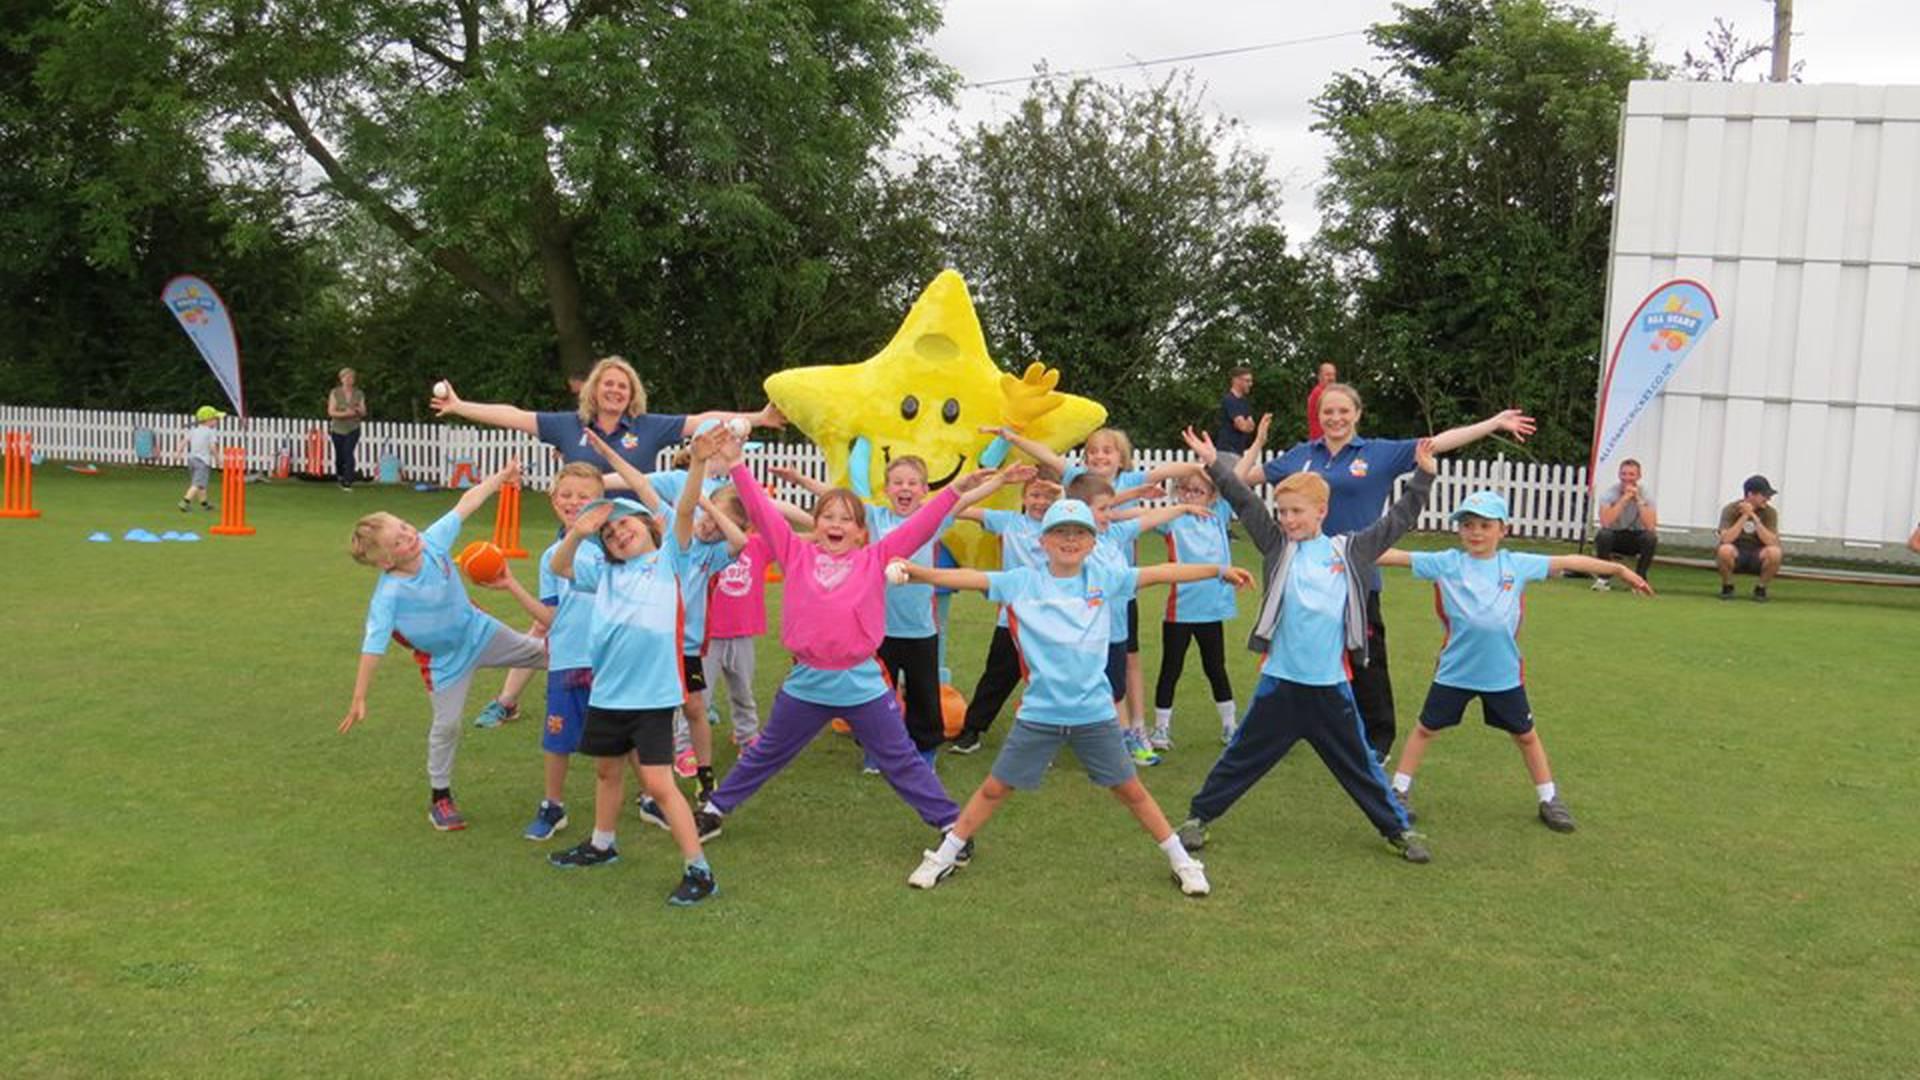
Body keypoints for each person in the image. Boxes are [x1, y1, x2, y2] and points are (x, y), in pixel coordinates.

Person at [892, 500, 1255, 897]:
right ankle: (945, 856)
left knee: (1130, 790)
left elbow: (1162, 572)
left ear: (1092, 541)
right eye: (1060, 532)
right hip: (1039, 715)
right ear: (1042, 540)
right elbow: (969, 578)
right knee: (995, 788)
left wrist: (1219, 570)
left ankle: (1182, 861)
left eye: (1079, 532)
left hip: (1095, 715)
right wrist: (915, 573)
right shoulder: (1022, 582)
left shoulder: (1106, 577)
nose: (1070, 540)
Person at [694, 429, 1015, 853]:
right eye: (829, 517)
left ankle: (950, 824)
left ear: (863, 532)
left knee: (900, 757)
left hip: (861, 682)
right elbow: (763, 513)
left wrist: (954, 490)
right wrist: (736, 464)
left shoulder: (875, 557)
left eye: (847, 519)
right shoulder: (794, 552)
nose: (836, 525)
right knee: (767, 751)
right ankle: (715, 810)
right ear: (816, 523)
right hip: (807, 681)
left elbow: (921, 525)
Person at [1235, 382, 1536, 763]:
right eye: (1328, 411)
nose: (1336, 418)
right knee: (1301, 647)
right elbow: (1240, 482)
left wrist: (1493, 422)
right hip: (1304, 576)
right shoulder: (1300, 456)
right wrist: (1257, 444)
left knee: (1367, 659)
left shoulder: (1378, 454)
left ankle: (1378, 737)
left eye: (1344, 411)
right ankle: (1302, 724)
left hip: (1357, 574)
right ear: (1319, 416)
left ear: (1357, 414)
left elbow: (1438, 443)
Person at [1176, 428, 1437, 865]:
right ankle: (1198, 818)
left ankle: (1398, 830)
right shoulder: (1278, 546)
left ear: (1322, 511)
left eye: (1297, 511)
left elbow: (1398, 521)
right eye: (1283, 511)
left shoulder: (1348, 550)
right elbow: (1244, 501)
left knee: (1359, 768)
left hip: (1330, 688)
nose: (1288, 520)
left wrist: (1423, 477)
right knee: (1241, 757)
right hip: (1280, 684)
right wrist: (1214, 464)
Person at [1376, 490, 1654, 835]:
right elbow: (1395, 555)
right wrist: (1344, 552)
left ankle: (1549, 799)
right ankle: (1398, 791)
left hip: (1503, 674)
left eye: (1484, 525)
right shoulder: (1447, 562)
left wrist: (1617, 569)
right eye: (1467, 525)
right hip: (1455, 672)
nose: (1475, 532)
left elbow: (1569, 561)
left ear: (1501, 530)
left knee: (1525, 736)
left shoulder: (1516, 564)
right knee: (1425, 728)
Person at [543, 459, 718, 906]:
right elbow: (561, 567)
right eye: (609, 534)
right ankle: (603, 843)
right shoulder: (603, 574)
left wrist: (696, 463)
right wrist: (581, 532)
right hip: (608, 694)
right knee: (606, 771)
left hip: (652, 697)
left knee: (659, 784)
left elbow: (681, 514)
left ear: (647, 528)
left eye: (624, 525)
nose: (618, 534)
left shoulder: (666, 561)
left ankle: (698, 869)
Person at [339, 462, 549, 832]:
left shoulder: (432, 541)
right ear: (387, 560)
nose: (409, 535)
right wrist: (359, 696)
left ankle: (604, 677)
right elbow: (372, 647)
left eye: (405, 527)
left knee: (550, 658)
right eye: (399, 540)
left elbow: (465, 504)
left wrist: (498, 479)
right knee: (447, 726)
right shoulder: (388, 595)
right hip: (445, 663)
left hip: (481, 632)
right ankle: (441, 797)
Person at [1066, 471, 1212, 765]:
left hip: (1117, 633)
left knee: (1115, 689)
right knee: (1096, 692)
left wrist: (1183, 508)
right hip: (1091, 638)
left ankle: (1117, 741)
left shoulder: (1113, 536)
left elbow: (1148, 520)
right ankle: (1111, 744)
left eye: (1110, 508)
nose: (1110, 515)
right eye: (1103, 509)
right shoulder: (1074, 547)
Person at [429, 354, 779, 470]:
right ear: (594, 390)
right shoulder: (567, 425)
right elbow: (513, 415)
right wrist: (460, 406)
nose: (614, 390)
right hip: (578, 537)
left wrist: (759, 419)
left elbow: (704, 419)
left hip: (635, 536)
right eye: (607, 384)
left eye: (622, 386)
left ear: (632, 395)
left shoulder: (649, 426)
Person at [521, 462, 610, 842]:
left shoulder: (616, 544)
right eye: (566, 495)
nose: (574, 502)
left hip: (613, 660)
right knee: (557, 738)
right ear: (553, 499)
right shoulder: (551, 557)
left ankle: (650, 797)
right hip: (569, 659)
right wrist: (510, 585)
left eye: (584, 496)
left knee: (626, 736)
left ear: (602, 503)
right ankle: (553, 805)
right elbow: (550, 617)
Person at [949, 470, 1062, 754]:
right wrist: (988, 484)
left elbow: (1089, 509)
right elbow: (959, 509)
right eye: (1035, 495)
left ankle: (1047, 738)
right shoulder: (1010, 522)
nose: (1040, 502)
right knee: (996, 677)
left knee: (1049, 680)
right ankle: (972, 731)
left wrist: (1062, 495)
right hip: (1011, 620)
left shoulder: (1065, 528)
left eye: (1048, 497)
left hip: (1053, 620)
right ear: (1023, 497)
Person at [1150, 468, 1240, 750]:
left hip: (1211, 612)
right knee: (1170, 669)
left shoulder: (1220, 514)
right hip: (1180, 611)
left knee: (1216, 668)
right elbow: (1134, 517)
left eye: (1198, 491)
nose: (1190, 496)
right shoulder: (1172, 520)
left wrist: (1259, 443)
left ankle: (1230, 726)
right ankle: (1161, 728)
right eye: (1185, 490)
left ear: (1212, 497)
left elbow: (1238, 478)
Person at [1592, 458, 1658, 589]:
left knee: (1650, 538)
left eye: (1631, 474)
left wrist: (1638, 500)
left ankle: (1639, 579)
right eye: (1624, 474)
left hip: (1636, 536)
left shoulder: (1647, 494)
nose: (1627, 478)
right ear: (1619, 475)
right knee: (1603, 534)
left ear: (1639, 476)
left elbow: (1651, 526)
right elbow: (1606, 522)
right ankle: (1603, 578)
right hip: (1615, 535)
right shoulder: (1609, 494)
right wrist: (1624, 500)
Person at [1716, 475, 1783, 601]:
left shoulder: (1770, 512)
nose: (1768, 499)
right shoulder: (1730, 509)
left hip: (1758, 553)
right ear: (1750, 494)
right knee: (1724, 550)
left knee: (1775, 553)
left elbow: (1772, 542)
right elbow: (1726, 539)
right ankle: (1728, 586)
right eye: (1764, 495)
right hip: (1736, 551)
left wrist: (1754, 516)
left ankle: (1761, 588)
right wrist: (1744, 516)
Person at [327, 368, 368, 489]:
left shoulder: (359, 393)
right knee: (340, 455)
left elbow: (363, 411)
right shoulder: (335, 393)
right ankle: (340, 474)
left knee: (348, 453)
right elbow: (331, 412)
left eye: (352, 378)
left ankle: (348, 480)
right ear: (341, 379)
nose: (349, 380)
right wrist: (346, 414)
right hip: (337, 429)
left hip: (353, 428)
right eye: (347, 378)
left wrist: (359, 411)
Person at [177, 405, 222, 512]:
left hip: (192, 461)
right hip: (202, 462)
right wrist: (218, 459)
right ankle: (184, 502)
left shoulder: (194, 430)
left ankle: (204, 504)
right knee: (197, 484)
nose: (217, 421)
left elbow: (184, 441)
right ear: (209, 420)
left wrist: (178, 452)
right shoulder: (210, 432)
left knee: (201, 484)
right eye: (216, 419)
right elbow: (213, 447)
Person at [1216, 365, 1256, 455]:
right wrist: (1243, 425)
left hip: (1238, 450)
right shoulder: (1230, 400)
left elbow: (1251, 427)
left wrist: (1243, 425)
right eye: (1247, 381)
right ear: (1236, 380)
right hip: (1226, 451)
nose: (1250, 384)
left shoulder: (1244, 402)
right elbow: (1242, 426)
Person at [1306, 362, 1337, 441]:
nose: (1332, 378)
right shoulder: (1320, 393)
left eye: (1333, 375)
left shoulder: (1327, 392)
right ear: (1319, 377)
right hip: (1322, 442)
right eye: (1328, 375)